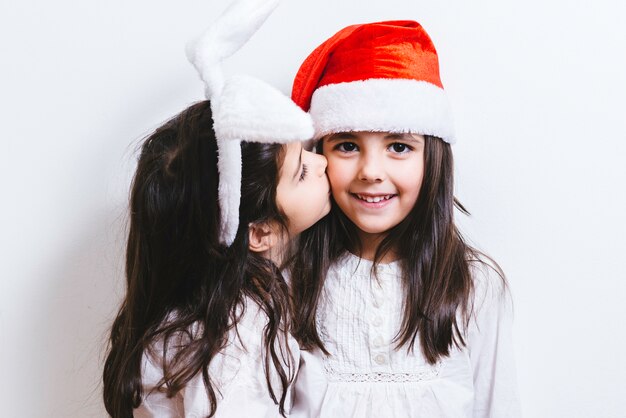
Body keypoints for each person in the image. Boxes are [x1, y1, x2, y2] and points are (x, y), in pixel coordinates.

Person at [102, 1, 330, 416]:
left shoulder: (196, 314)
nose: (323, 163)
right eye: (302, 170)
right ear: (260, 232)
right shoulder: (235, 337)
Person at [289, 20, 521, 417]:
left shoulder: (473, 284)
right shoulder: (290, 279)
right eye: (347, 145)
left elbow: (495, 406)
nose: (371, 171)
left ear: (433, 160)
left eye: (398, 146)